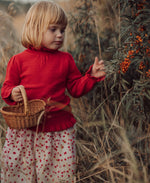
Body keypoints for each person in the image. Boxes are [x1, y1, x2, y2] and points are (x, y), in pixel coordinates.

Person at [1, 1, 106, 182]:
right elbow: (6, 88)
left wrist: (90, 77)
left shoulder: (65, 59)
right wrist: (12, 93)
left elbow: (75, 88)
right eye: (53, 29)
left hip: (58, 130)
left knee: (57, 175)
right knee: (20, 173)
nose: (59, 35)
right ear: (35, 28)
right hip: (26, 129)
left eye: (62, 30)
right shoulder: (18, 60)